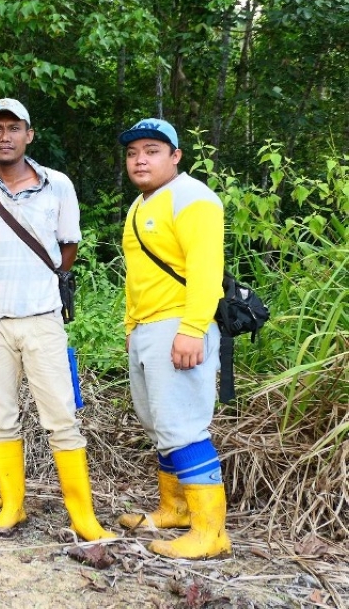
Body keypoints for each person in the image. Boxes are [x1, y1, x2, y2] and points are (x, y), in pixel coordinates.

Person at [0, 98, 113, 541]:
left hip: (42, 318)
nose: (5, 136)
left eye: (13, 128)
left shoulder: (58, 185)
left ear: (29, 134)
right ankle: (12, 506)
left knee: (61, 418)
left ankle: (84, 517)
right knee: (1, 418)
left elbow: (67, 249)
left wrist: (40, 281)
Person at [117, 118, 231, 559]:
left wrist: (192, 328)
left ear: (176, 156)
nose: (140, 159)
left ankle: (210, 532)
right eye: (132, 153)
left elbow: (206, 270)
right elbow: (136, 276)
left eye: (152, 150)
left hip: (180, 324)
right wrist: (131, 328)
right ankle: (175, 508)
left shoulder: (193, 198)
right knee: (160, 424)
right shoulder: (140, 205)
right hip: (147, 328)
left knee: (183, 426)